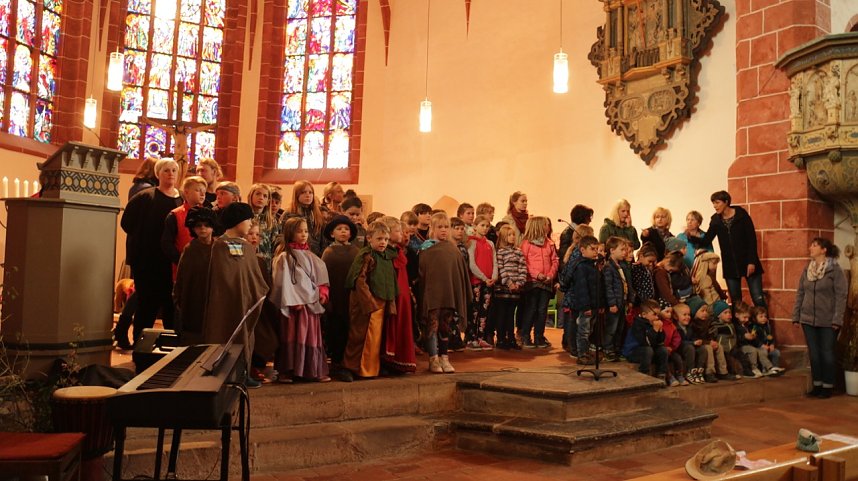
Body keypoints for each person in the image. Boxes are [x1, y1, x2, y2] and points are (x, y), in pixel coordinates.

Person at [206, 202, 270, 387]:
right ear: (237, 221)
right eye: (248, 219)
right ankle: (225, 373)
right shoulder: (221, 245)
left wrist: (255, 292)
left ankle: (243, 372)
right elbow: (222, 278)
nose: (251, 224)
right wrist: (234, 294)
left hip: (246, 302)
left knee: (246, 338)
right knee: (225, 333)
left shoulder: (247, 247)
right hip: (227, 304)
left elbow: (253, 276)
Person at [120, 158, 183, 341]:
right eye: (166, 170)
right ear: (158, 174)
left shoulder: (181, 199)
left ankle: (170, 352)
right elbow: (127, 223)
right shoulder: (145, 197)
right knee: (147, 306)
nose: (170, 173)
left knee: (171, 308)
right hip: (148, 262)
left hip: (171, 263)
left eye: (173, 170)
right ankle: (141, 350)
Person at [271, 216, 331, 383]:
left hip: (310, 306)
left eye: (306, 231)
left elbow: (320, 278)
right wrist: (292, 299)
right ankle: (288, 371)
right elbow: (281, 282)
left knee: (311, 337)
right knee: (291, 336)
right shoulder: (284, 257)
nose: (304, 234)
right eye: (299, 231)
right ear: (290, 233)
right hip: (293, 307)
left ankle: (311, 370)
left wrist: (322, 291)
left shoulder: (311, 256)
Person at [686, 191, 765, 307]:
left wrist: (752, 261)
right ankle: (738, 325)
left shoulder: (742, 216)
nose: (715, 206)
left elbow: (752, 240)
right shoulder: (716, 220)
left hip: (748, 262)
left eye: (717, 202)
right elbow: (707, 239)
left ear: (726, 202)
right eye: (713, 203)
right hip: (730, 265)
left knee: (758, 299)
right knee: (735, 301)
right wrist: (692, 237)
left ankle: (764, 324)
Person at [793, 237, 847, 399]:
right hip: (808, 319)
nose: (811, 247)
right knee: (814, 353)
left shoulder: (835, 270)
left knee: (827, 352)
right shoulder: (807, 269)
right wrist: (796, 315)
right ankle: (817, 385)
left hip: (828, 320)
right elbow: (801, 293)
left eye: (815, 245)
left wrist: (837, 319)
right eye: (811, 245)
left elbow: (841, 296)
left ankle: (828, 386)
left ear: (824, 250)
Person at [343, 221, 397, 380]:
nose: (383, 242)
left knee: (375, 338)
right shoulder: (365, 256)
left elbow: (389, 281)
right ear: (369, 238)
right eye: (379, 239)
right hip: (364, 304)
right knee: (358, 336)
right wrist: (369, 302)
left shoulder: (386, 256)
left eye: (386, 239)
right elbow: (359, 280)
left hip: (379, 304)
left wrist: (389, 302)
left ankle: (371, 368)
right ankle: (351, 367)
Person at [418, 212, 470, 374]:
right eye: (439, 227)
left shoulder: (453, 250)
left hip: (448, 294)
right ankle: (433, 358)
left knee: (445, 326)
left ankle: (444, 357)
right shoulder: (426, 249)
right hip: (432, 295)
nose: (443, 230)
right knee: (432, 326)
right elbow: (422, 273)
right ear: (432, 229)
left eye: (446, 227)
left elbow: (459, 273)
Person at [321, 215, 360, 381]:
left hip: (352, 298)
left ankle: (349, 364)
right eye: (339, 229)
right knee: (336, 330)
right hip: (335, 298)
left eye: (346, 229)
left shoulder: (356, 251)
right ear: (332, 233)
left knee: (351, 330)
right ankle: (336, 363)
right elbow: (324, 277)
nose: (343, 232)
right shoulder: (328, 253)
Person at [172, 206, 217, 346]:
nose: (203, 229)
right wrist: (178, 297)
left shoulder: (219, 247)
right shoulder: (190, 249)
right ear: (193, 228)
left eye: (207, 225)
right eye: (198, 226)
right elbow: (182, 277)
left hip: (213, 296)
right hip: (193, 297)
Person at [379, 216, 417, 374]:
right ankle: (387, 362)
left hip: (402, 297)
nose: (402, 233)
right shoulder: (384, 253)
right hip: (392, 297)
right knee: (390, 328)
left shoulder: (398, 252)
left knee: (402, 326)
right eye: (398, 230)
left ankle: (399, 361)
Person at [519, 216, 559, 349]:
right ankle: (525, 336)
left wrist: (550, 275)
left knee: (542, 310)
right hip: (533, 282)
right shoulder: (526, 244)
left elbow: (555, 260)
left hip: (546, 282)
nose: (548, 227)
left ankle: (539, 336)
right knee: (531, 309)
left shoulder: (550, 243)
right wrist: (537, 274)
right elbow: (524, 262)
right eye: (545, 225)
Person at [563, 235, 603, 364]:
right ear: (582, 250)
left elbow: (596, 287)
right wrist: (586, 307)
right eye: (592, 249)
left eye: (597, 249)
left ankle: (585, 352)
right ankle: (582, 354)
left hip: (592, 305)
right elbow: (582, 289)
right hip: (584, 306)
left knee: (588, 330)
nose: (596, 252)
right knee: (583, 331)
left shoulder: (591, 265)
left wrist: (600, 304)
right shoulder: (581, 267)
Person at [161, 175, 207, 280]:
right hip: (183, 269)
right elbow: (166, 243)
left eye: (204, 191)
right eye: (198, 190)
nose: (202, 194)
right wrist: (182, 260)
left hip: (205, 269)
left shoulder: (208, 215)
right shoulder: (175, 215)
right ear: (186, 192)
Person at [490, 224, 528, 350]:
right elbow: (501, 269)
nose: (512, 237)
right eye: (509, 235)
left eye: (513, 235)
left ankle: (511, 338)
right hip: (503, 289)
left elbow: (523, 268)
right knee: (502, 314)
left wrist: (519, 283)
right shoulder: (500, 252)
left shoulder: (518, 252)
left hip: (515, 290)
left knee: (511, 315)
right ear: (503, 237)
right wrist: (509, 283)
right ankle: (501, 339)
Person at [466, 214, 498, 350]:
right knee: (475, 310)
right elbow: (472, 264)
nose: (485, 228)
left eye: (487, 226)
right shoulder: (471, 242)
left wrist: (494, 276)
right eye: (482, 225)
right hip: (476, 281)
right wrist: (484, 278)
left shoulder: (490, 243)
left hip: (488, 283)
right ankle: (470, 338)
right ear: (475, 226)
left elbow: (495, 262)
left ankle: (480, 337)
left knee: (485, 310)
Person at [621, 299, 668, 382]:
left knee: (663, 350)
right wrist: (654, 330)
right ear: (644, 315)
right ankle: (644, 375)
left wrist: (660, 331)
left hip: (649, 351)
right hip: (633, 352)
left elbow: (660, 342)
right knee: (648, 350)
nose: (657, 317)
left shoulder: (653, 323)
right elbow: (645, 342)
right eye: (654, 314)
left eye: (658, 315)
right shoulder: (637, 324)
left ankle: (661, 375)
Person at [735, 302, 783, 377]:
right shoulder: (740, 326)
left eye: (765, 316)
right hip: (743, 346)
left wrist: (772, 344)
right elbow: (738, 337)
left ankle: (773, 367)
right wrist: (747, 338)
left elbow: (770, 337)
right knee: (756, 350)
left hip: (757, 345)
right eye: (745, 317)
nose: (747, 319)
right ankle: (757, 368)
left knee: (775, 352)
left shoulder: (766, 327)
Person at [603, 236, 630, 361]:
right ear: (612, 250)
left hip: (622, 302)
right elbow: (608, 287)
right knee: (611, 328)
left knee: (620, 327)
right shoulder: (609, 266)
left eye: (625, 250)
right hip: (615, 304)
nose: (625, 252)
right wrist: (612, 303)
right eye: (622, 249)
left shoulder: (622, 266)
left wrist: (628, 300)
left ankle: (616, 348)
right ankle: (608, 349)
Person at [283, 180, 327, 256]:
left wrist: (322, 255)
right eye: (303, 192)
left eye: (310, 192)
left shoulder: (318, 214)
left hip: (316, 255)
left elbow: (324, 239)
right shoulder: (289, 214)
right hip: (296, 254)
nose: (308, 195)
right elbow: (284, 237)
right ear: (296, 195)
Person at [673, 302, 708, 384]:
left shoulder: (689, 327)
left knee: (702, 349)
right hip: (680, 348)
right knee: (690, 348)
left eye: (688, 315)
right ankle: (690, 371)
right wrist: (693, 342)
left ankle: (699, 371)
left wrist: (697, 341)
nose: (687, 317)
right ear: (675, 316)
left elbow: (693, 337)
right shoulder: (675, 327)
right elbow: (679, 342)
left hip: (690, 345)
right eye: (684, 315)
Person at [247, 184, 279, 274]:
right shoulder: (245, 218)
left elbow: (275, 245)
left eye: (265, 196)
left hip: (266, 264)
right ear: (251, 196)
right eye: (258, 194)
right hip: (247, 262)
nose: (261, 198)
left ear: (268, 201)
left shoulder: (271, 221)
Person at [688, 297, 719, 383]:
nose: (705, 313)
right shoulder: (693, 325)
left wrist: (712, 341)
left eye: (706, 311)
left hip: (707, 341)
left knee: (719, 347)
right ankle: (709, 373)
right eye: (702, 311)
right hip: (698, 344)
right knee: (708, 348)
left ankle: (723, 371)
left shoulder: (707, 322)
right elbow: (696, 339)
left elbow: (709, 334)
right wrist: (709, 342)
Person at [710, 299, 741, 380]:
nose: (728, 315)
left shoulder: (731, 325)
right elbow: (712, 336)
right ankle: (724, 373)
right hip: (722, 347)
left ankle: (746, 370)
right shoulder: (716, 326)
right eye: (725, 313)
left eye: (729, 312)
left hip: (731, 347)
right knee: (726, 358)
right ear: (718, 315)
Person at [559, 204, 594, 269]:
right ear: (582, 217)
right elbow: (564, 255)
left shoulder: (577, 231)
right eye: (588, 217)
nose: (590, 220)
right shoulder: (568, 233)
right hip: (571, 268)